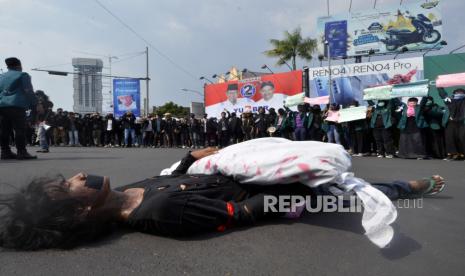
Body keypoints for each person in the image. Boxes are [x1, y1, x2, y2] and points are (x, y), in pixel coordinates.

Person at [0, 146, 445, 251]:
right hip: (283, 196)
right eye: (70, 185)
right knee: (371, 197)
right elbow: (244, 213)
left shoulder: (130, 189)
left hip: (258, 177)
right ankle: (419, 186)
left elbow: (169, 174)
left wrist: (190, 156)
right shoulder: (157, 212)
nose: (79, 174)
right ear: (80, 208)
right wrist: (301, 195)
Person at [0, 57, 37, 160]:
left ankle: (5, 152)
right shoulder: (22, 75)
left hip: (2, 106)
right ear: (19, 65)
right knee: (19, 129)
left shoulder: (1, 76)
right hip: (17, 106)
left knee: (4, 130)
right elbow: (28, 91)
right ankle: (21, 152)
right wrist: (34, 104)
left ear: (8, 66)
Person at [440, 88, 465, 160]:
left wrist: (457, 119)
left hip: (461, 123)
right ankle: (452, 154)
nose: (459, 94)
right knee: (450, 139)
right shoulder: (449, 101)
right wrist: (439, 87)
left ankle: (462, 155)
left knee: (461, 138)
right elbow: (443, 95)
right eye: (457, 93)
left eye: (461, 93)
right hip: (450, 123)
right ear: (454, 94)